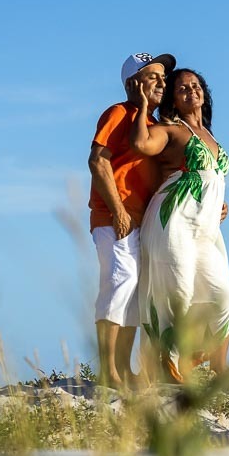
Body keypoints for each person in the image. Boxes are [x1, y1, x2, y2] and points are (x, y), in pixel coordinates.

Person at [131, 67, 229, 382]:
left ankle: (211, 365)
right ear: (173, 101)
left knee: (224, 297)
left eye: (195, 85)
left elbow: (211, 179)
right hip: (173, 220)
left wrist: (219, 204)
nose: (191, 90)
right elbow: (142, 144)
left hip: (205, 229)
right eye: (182, 88)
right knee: (178, 291)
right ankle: (166, 363)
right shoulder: (172, 129)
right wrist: (143, 106)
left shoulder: (210, 136)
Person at [87, 52, 176, 387]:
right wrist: (118, 211)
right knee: (118, 283)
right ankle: (107, 370)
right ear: (132, 83)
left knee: (135, 293)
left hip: (141, 221)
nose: (162, 82)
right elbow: (98, 161)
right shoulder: (119, 113)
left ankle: (123, 369)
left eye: (163, 77)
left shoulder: (152, 125)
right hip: (115, 217)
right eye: (153, 76)